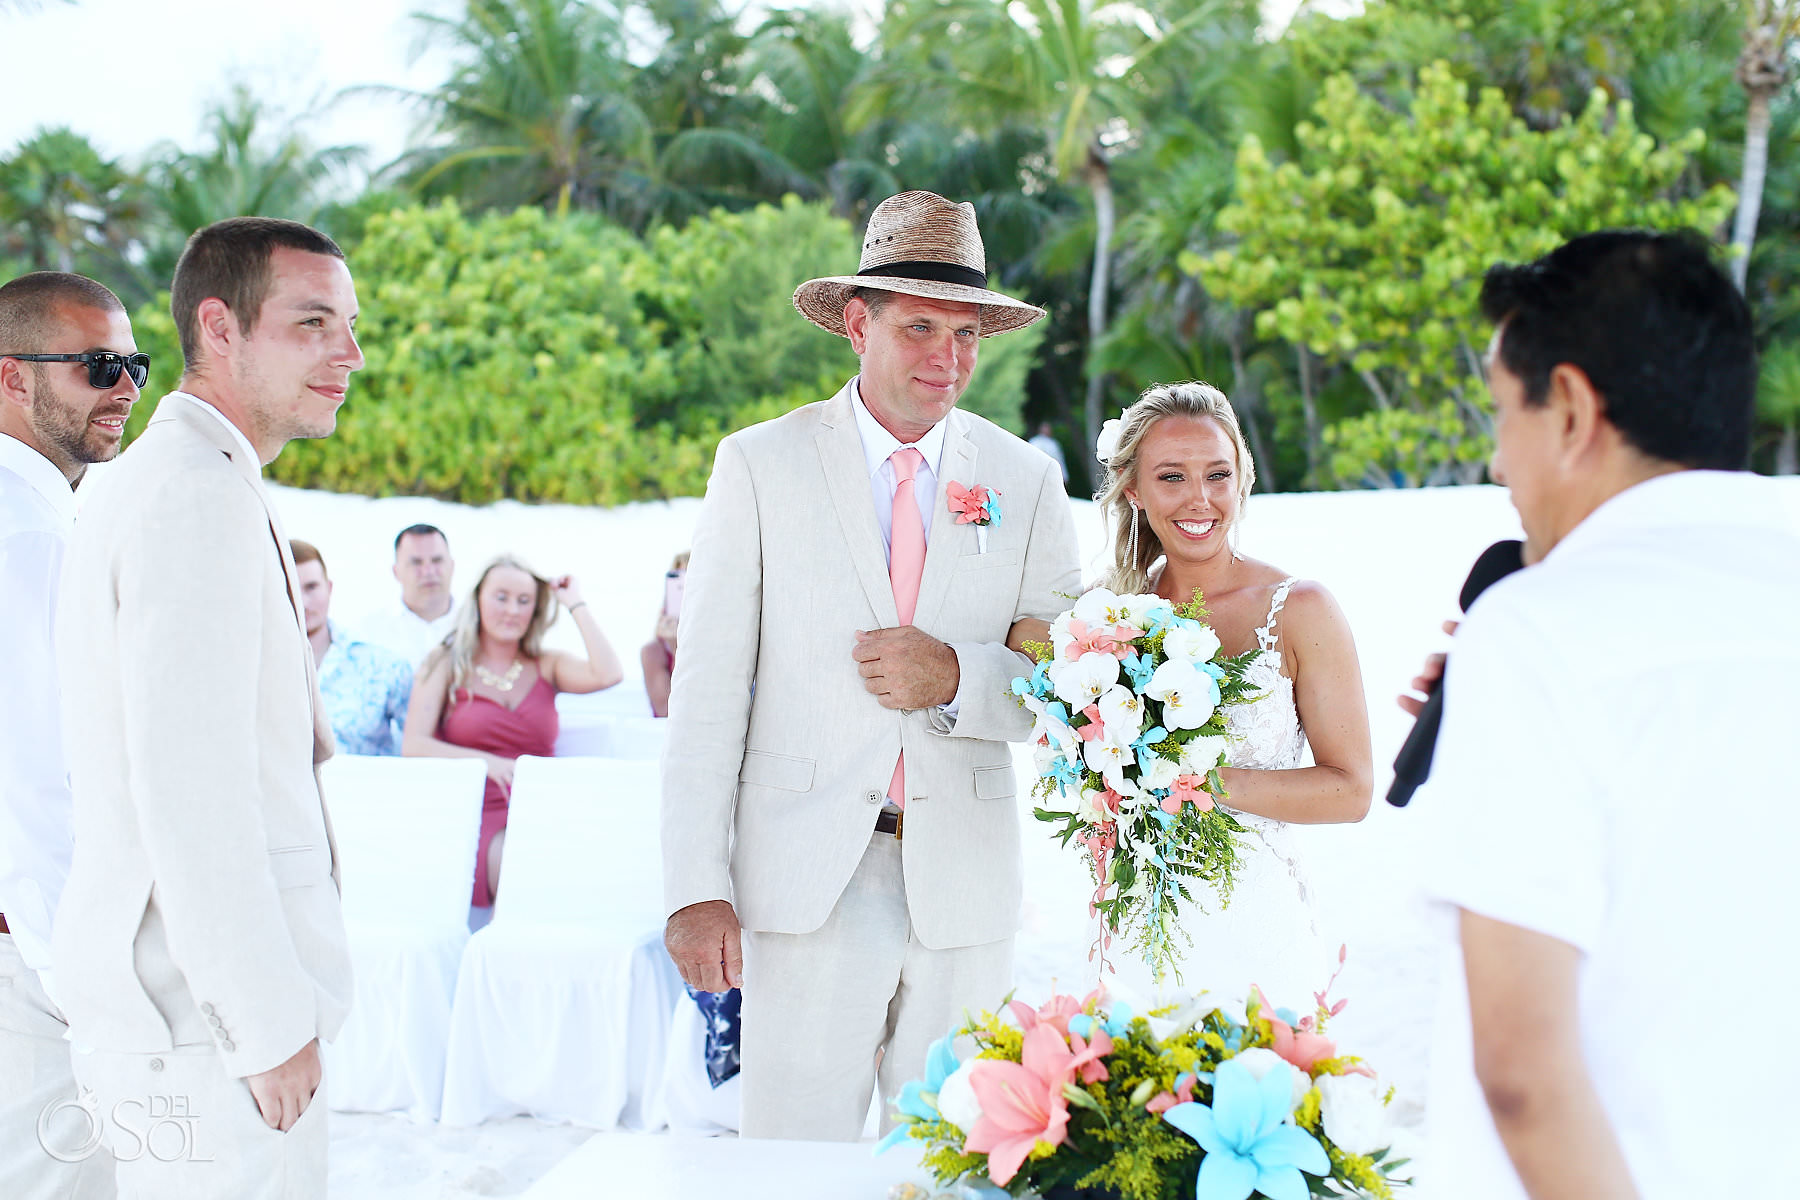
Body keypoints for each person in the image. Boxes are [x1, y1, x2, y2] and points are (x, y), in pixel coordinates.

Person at [660, 190, 1082, 1141]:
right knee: (790, 1164)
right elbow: (708, 692)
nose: (950, 358)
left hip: (965, 885)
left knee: (955, 1157)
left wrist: (959, 679)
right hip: (803, 881)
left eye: (968, 333)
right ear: (858, 324)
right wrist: (696, 885)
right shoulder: (757, 465)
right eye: (921, 327)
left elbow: (1069, 693)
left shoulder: (1025, 479)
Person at [1405, 230, 1798, 1200]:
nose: (1499, 464)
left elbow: (1522, 1072)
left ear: (1573, 408)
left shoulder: (1536, 632)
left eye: (1503, 414)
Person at [53, 217, 362, 1199]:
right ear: (219, 327)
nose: (349, 355)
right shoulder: (192, 491)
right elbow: (191, 791)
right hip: (202, 1026)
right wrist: (265, 1024)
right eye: (313, 323)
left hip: (172, 1012)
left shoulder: (180, 473)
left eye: (351, 326)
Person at [1009, 382, 1373, 1004]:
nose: (1199, 499)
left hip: (1258, 932)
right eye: (1172, 476)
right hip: (1136, 929)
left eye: (1217, 475)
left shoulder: (1299, 608)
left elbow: (1353, 790)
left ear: (1241, 483)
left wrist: (1193, 779)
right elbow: (1023, 640)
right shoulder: (1109, 619)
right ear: (1135, 491)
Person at [0, 270, 140, 1199]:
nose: (126, 387)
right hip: (33, 945)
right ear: (12, 378)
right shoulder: (28, 533)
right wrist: (75, 974)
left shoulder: (45, 517)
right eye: (96, 366)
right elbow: (33, 770)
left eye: (132, 362)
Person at [403, 556, 623, 907]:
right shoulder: (444, 663)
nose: (512, 610)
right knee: (522, 861)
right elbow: (413, 744)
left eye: (524, 601)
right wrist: (486, 762)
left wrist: (574, 604)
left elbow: (609, 673)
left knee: (590, 856)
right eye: (501, 597)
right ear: (477, 600)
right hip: (476, 808)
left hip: (540, 804)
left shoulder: (546, 664)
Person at [293, 539, 412, 756]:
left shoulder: (383, 666)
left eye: (311, 587)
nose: (303, 602)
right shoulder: (253, 668)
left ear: (329, 588)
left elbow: (418, 749)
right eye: (289, 589)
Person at [358, 523, 457, 666]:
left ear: (452, 565)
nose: (428, 571)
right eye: (416, 562)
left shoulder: (480, 625)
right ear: (396, 571)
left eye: (437, 560)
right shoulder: (369, 635)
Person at [641, 550, 688, 718]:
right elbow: (667, 712)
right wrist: (676, 648)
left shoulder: (725, 643)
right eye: (680, 583)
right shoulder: (655, 651)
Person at [1027, 419, 1068, 483]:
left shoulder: (1054, 444)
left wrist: (1064, 476)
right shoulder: (1035, 441)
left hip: (1052, 475)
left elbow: (1060, 460)